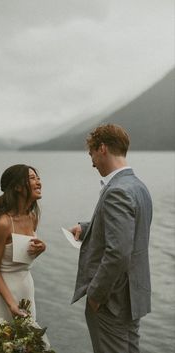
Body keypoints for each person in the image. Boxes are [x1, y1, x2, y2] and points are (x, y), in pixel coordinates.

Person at [70, 124, 153, 353]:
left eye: (92, 154)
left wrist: (95, 295)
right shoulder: (139, 186)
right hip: (132, 297)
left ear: (102, 149)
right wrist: (87, 228)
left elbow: (118, 253)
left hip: (111, 301)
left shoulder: (117, 190)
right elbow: (132, 233)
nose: (92, 162)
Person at [0, 164, 46, 325]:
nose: (39, 182)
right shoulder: (3, 224)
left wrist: (42, 248)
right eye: (32, 178)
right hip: (6, 298)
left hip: (27, 291)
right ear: (17, 187)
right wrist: (11, 304)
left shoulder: (32, 218)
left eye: (38, 178)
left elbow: (22, 257)